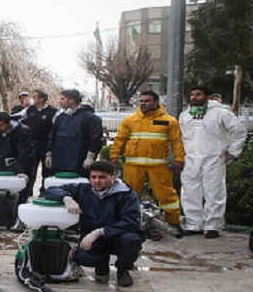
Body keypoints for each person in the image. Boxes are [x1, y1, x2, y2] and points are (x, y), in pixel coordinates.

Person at [43, 160, 142, 287]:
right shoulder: (84, 189)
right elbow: (51, 190)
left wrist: (99, 232)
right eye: (93, 177)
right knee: (82, 256)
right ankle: (101, 265)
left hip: (118, 235)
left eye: (102, 177)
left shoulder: (127, 195)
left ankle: (123, 269)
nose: (96, 181)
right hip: (91, 235)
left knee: (131, 241)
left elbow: (131, 222)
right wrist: (67, 199)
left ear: (113, 177)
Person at [110, 90, 186, 237]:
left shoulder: (169, 121)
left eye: (147, 101)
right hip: (134, 165)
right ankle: (124, 221)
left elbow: (176, 141)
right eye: (142, 101)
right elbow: (120, 139)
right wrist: (114, 155)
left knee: (166, 194)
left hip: (158, 165)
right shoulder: (130, 120)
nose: (143, 103)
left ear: (156, 102)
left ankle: (173, 222)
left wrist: (179, 160)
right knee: (127, 194)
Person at [178, 85, 246, 238]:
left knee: (214, 192)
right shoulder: (185, 115)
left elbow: (239, 131)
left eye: (198, 94)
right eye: (192, 94)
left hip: (213, 159)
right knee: (190, 192)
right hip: (190, 159)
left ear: (207, 97)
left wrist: (232, 152)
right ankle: (194, 224)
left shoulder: (221, 113)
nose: (194, 97)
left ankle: (213, 226)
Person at [45, 89, 103, 177]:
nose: (59, 101)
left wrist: (90, 157)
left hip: (79, 163)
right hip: (59, 163)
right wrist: (49, 154)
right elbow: (52, 137)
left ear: (71, 100)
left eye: (62, 99)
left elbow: (96, 139)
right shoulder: (60, 118)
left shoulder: (90, 118)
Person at [0, 112, 34, 203]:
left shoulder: (22, 130)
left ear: (8, 123)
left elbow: (24, 151)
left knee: (20, 193)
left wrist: (20, 170)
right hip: (1, 160)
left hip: (22, 161)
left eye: (1, 125)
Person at [22, 89, 58, 194]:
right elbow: (22, 120)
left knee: (47, 170)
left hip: (46, 144)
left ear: (41, 99)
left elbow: (55, 128)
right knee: (30, 169)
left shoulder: (52, 112)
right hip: (32, 144)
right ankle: (28, 192)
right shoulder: (30, 110)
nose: (32, 99)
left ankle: (44, 191)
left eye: (34, 97)